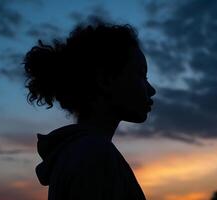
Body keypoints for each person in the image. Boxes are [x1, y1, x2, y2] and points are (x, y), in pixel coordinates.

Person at [23, 19, 156, 200]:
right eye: (141, 74)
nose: (151, 89)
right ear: (105, 79)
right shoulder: (94, 155)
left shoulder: (80, 152)